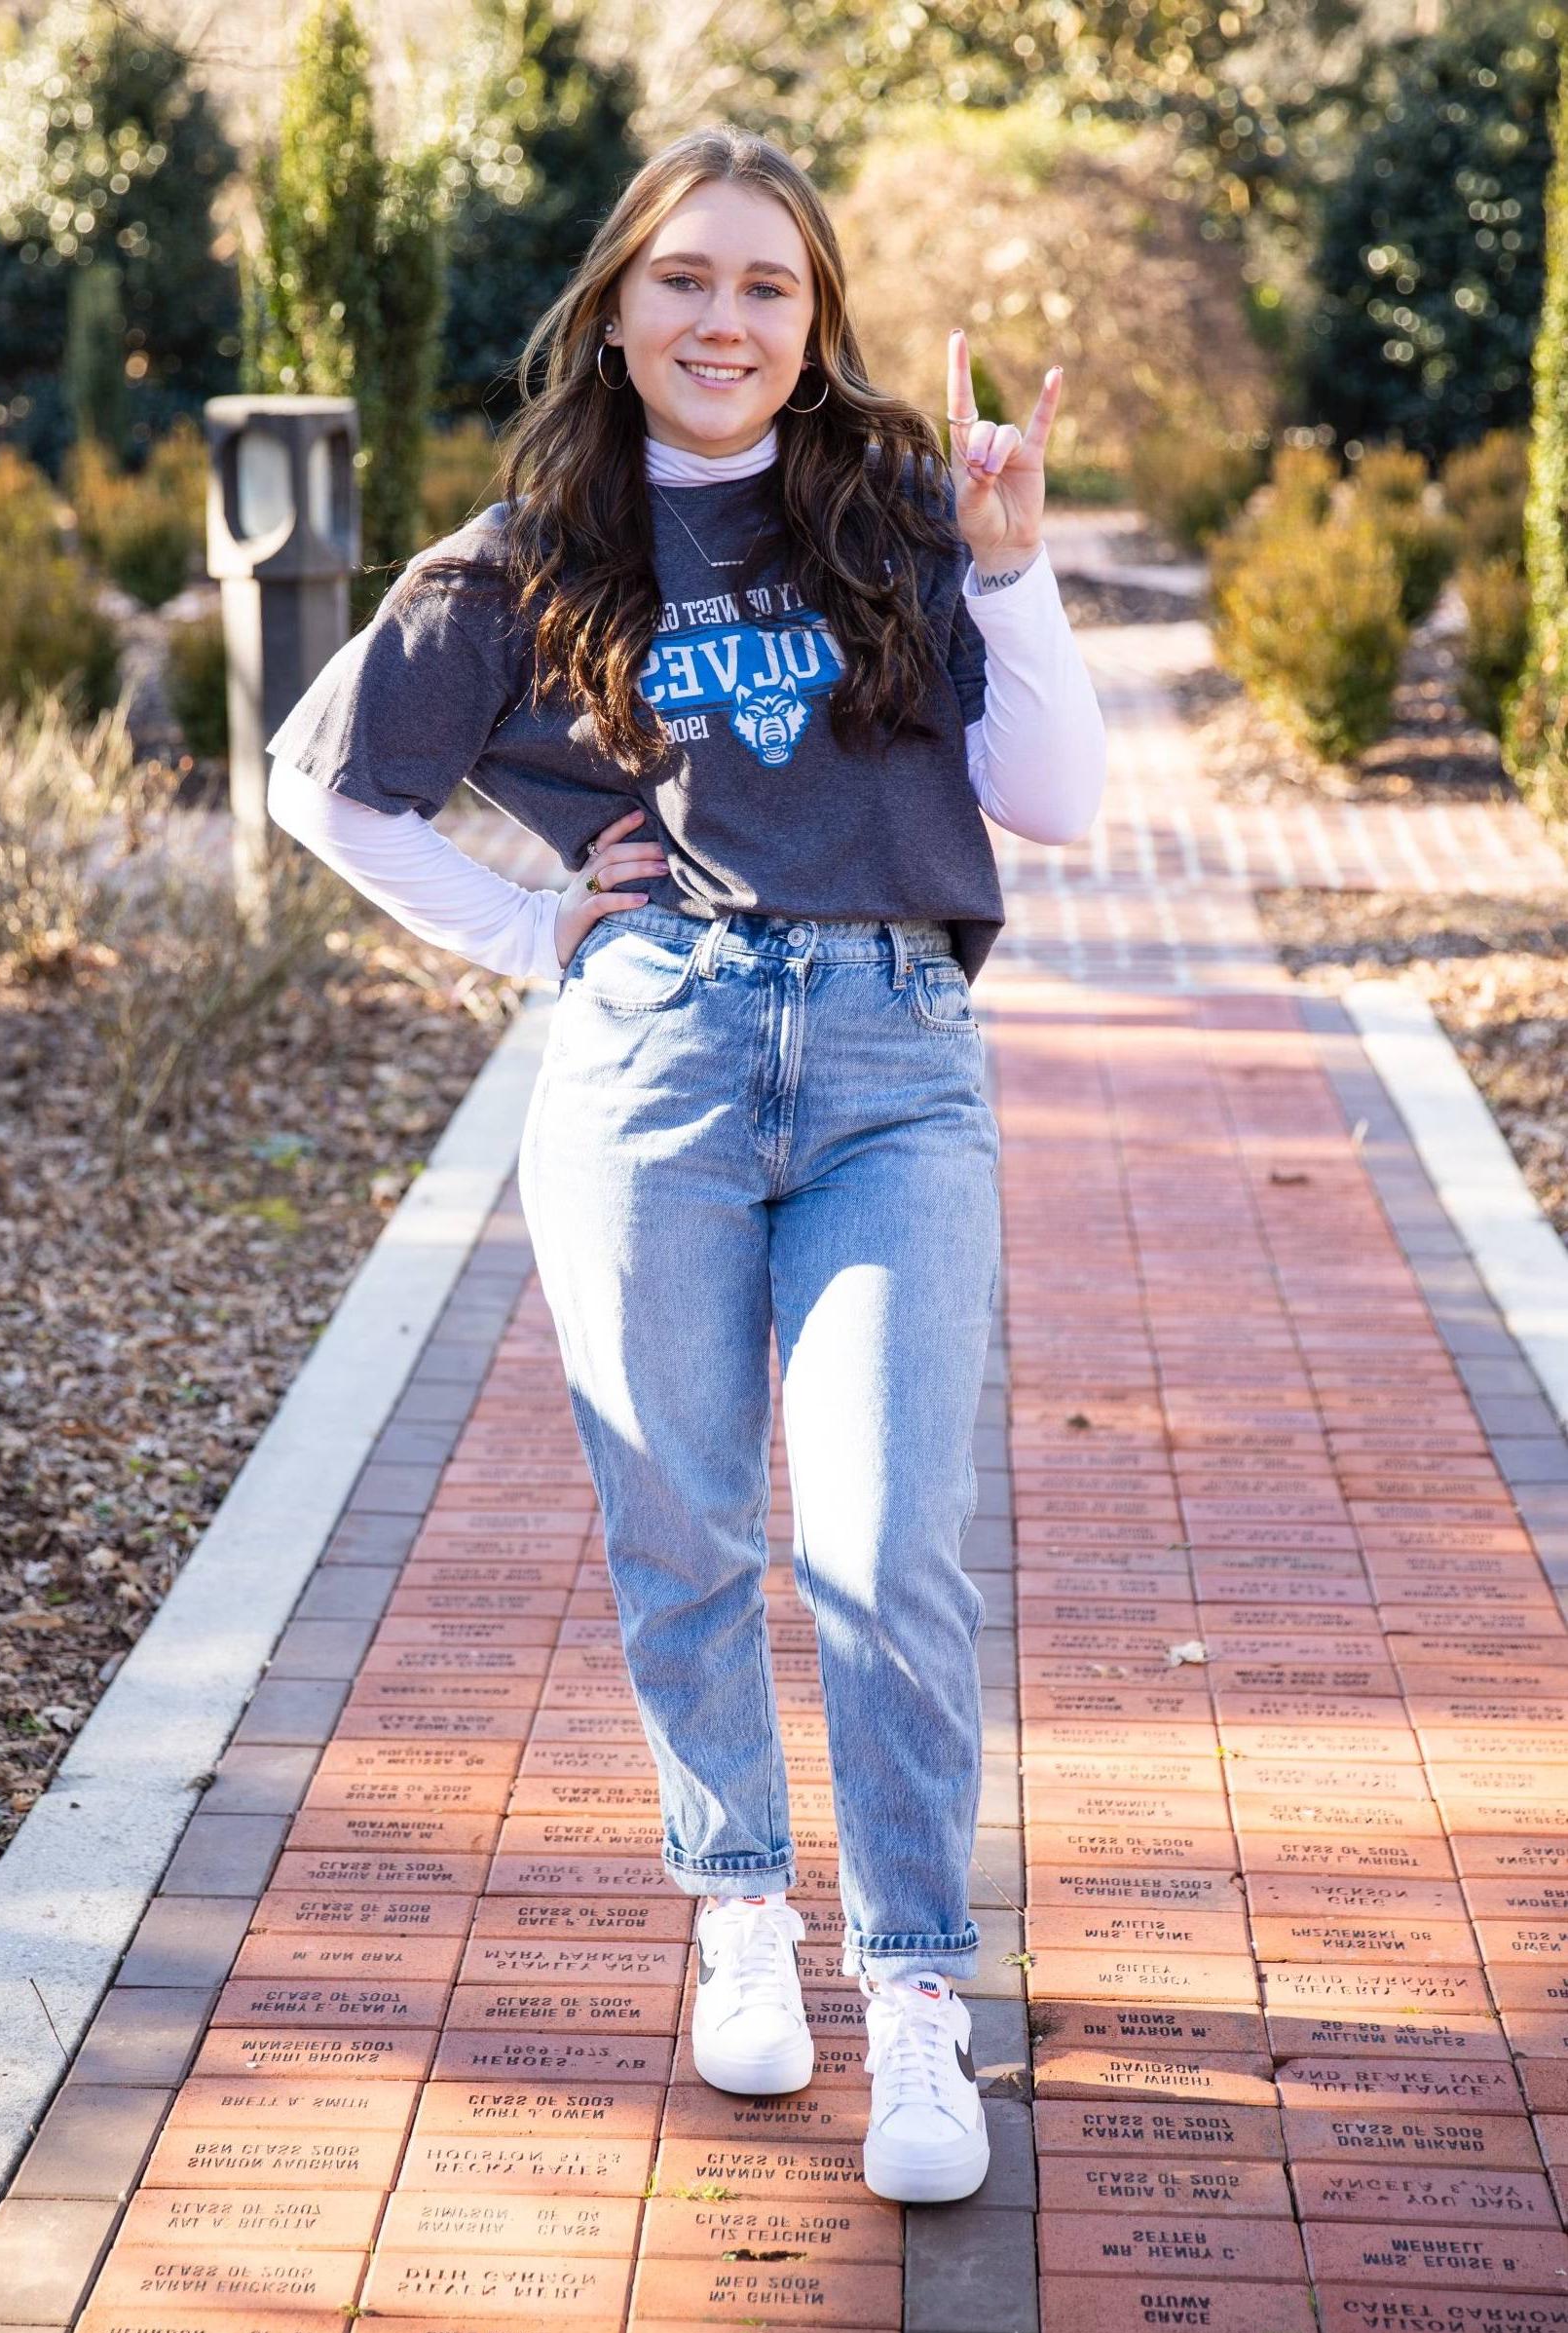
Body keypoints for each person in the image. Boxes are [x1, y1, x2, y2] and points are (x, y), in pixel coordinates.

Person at [267, 121, 1106, 2203]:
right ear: (620, 305)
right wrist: (534, 928)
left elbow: (1060, 801)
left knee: (892, 1542)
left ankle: (918, 1991)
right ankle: (743, 1901)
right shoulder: (537, 549)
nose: (724, 320)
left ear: (813, 319)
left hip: (898, 1065)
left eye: (766, 286)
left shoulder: (904, 512)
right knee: (686, 1531)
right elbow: (318, 780)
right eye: (686, 280)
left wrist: (1015, 564)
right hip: (654, 1063)